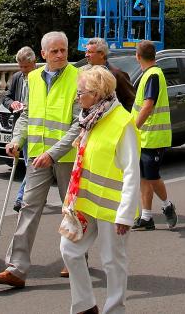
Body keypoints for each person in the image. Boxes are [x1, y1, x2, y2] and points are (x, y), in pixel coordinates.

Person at [0, 31, 83, 286]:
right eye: (55, 51)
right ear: (43, 54)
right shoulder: (33, 78)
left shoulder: (79, 77)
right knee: (28, 208)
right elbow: (28, 115)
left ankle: (75, 259)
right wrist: (16, 140)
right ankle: (16, 268)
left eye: (63, 49)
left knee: (71, 210)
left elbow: (79, 123)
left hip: (65, 157)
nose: (61, 54)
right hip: (36, 156)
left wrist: (52, 154)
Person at [59, 66, 140, 314]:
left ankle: (114, 309)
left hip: (112, 209)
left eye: (81, 92)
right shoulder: (90, 117)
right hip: (85, 203)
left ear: (96, 94)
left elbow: (131, 172)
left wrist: (125, 215)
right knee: (69, 250)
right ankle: (85, 305)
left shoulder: (121, 122)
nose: (77, 97)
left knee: (112, 262)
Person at [131, 40, 178, 231]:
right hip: (145, 136)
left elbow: (148, 105)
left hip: (153, 136)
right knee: (144, 177)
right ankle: (147, 217)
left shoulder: (152, 75)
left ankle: (167, 205)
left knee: (151, 176)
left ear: (137, 56)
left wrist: (133, 127)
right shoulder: (149, 74)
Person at [7, 46, 37, 212]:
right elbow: (7, 97)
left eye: (26, 66)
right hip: (22, 125)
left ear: (34, 62)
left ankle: (21, 198)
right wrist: (12, 104)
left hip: (36, 127)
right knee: (30, 165)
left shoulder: (41, 77)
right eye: (20, 67)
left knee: (31, 165)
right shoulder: (17, 77)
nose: (23, 70)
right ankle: (31, 195)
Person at [83, 38, 135, 111]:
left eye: (90, 52)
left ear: (101, 54)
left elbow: (130, 102)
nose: (86, 55)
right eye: (86, 52)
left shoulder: (117, 75)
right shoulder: (86, 73)